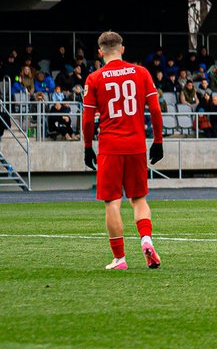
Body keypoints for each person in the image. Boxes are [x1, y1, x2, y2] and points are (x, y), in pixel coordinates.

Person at [81, 31, 164, 270]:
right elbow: (155, 110)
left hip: (110, 147)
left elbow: (88, 119)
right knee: (139, 199)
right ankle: (146, 239)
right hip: (136, 146)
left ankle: (119, 259)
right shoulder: (141, 72)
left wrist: (87, 147)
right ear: (123, 49)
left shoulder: (94, 78)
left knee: (112, 202)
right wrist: (158, 141)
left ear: (100, 52)